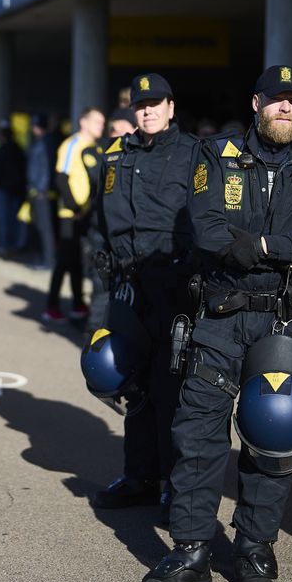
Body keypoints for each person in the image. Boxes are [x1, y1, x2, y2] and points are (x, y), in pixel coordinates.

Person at [140, 65, 292, 582]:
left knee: (272, 435)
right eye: (275, 99)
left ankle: (255, 545)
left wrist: (260, 247)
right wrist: (277, 242)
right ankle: (190, 550)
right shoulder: (216, 155)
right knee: (198, 435)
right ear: (257, 102)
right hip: (222, 318)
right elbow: (207, 227)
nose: (284, 108)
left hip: (288, 320)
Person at [92, 73, 197, 512]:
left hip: (174, 286)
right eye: (141, 105)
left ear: (171, 107)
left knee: (171, 390)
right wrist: (101, 261)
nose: (148, 110)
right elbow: (100, 218)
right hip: (127, 284)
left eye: (156, 103)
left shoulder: (195, 154)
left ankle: (174, 484)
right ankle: (139, 477)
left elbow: (207, 222)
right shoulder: (116, 155)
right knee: (131, 383)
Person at [43, 107, 104, 324]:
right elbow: (60, 177)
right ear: (83, 122)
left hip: (85, 213)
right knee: (64, 260)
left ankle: (78, 304)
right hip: (70, 213)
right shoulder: (72, 144)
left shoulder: (95, 148)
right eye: (97, 121)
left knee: (78, 260)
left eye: (102, 122)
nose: (101, 126)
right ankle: (51, 306)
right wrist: (75, 208)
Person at [0, 124, 26, 255]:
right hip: (16, 189)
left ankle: (4, 245)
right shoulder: (18, 149)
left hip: (3, 188)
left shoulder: (3, 149)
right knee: (14, 219)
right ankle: (14, 245)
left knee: (4, 219)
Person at [25, 116, 56, 270]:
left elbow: (45, 168)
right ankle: (44, 257)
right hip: (37, 189)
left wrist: (41, 190)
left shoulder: (45, 143)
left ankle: (48, 260)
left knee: (45, 228)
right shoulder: (42, 142)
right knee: (40, 227)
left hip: (41, 192)